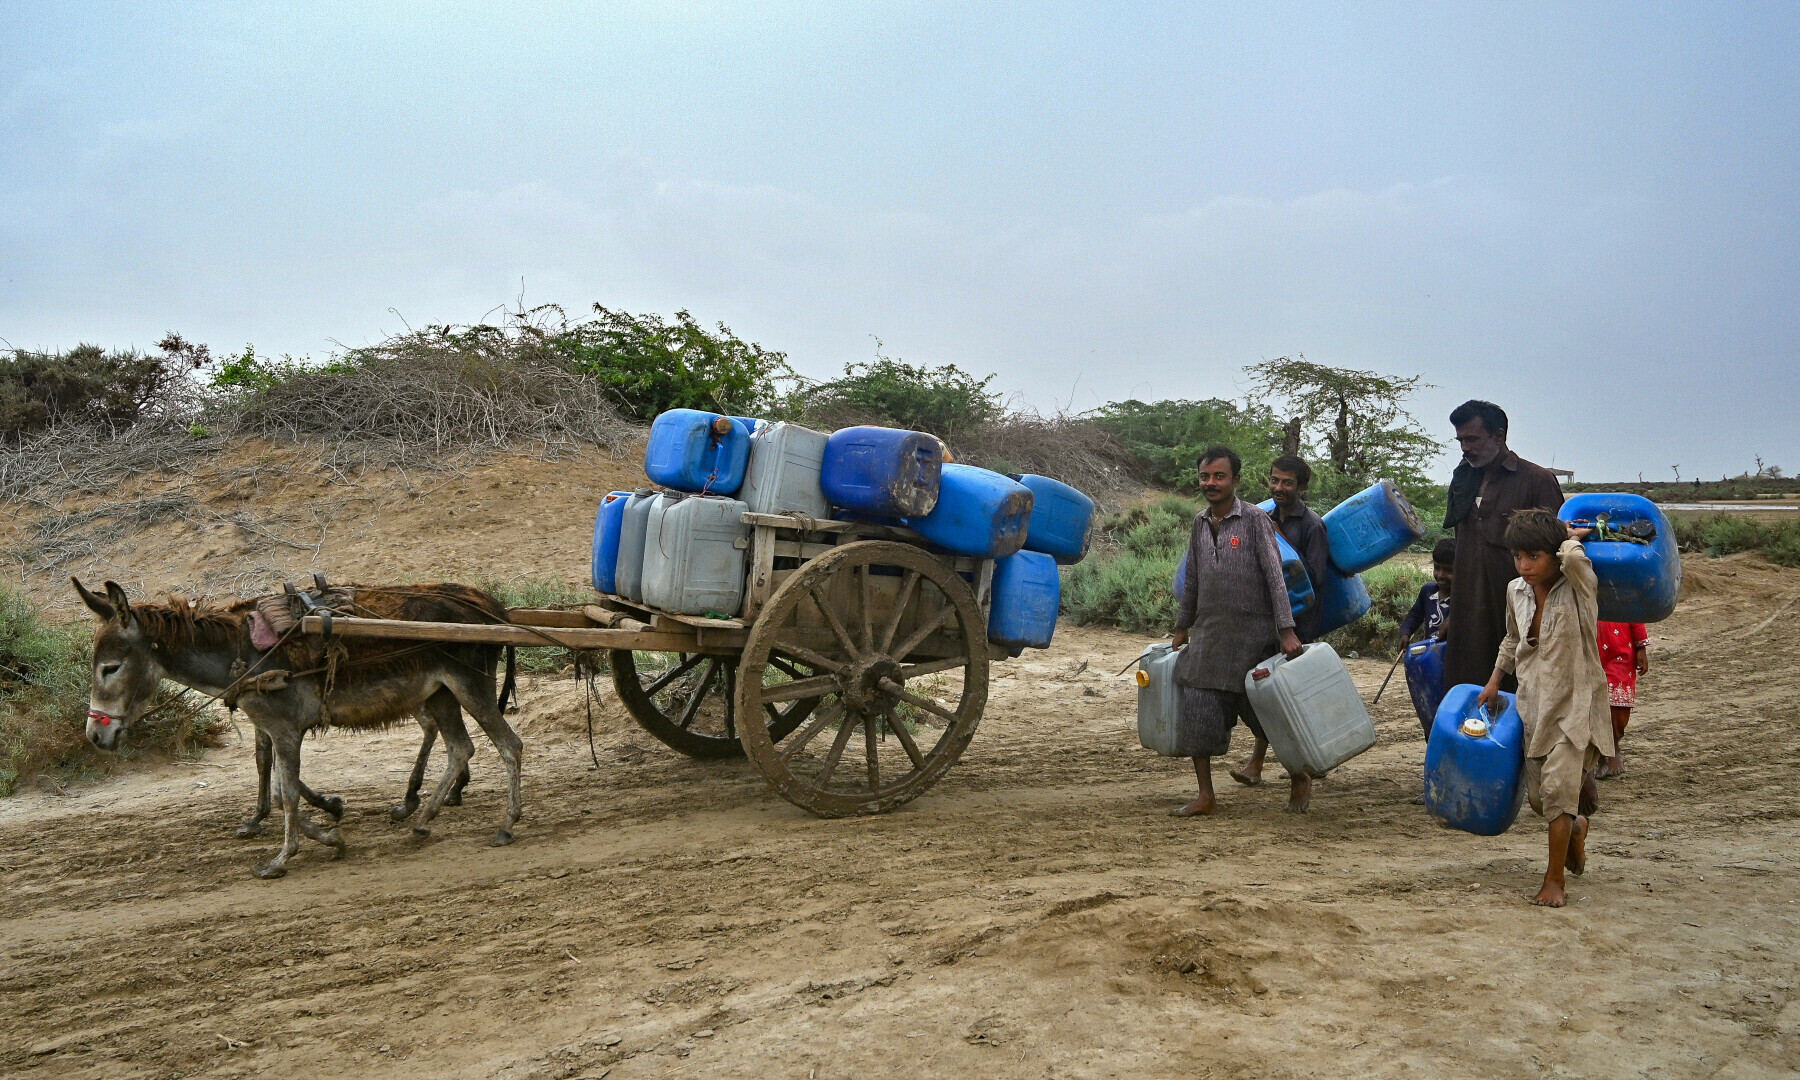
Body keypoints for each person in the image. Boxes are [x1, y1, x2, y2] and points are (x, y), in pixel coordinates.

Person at [1477, 510, 1614, 908]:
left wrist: (1567, 537)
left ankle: (1554, 881)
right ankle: (1575, 829)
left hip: (1576, 704)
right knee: (1540, 800)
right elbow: (1512, 638)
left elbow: (1573, 559)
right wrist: (1494, 680)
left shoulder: (1578, 587)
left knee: (1557, 792)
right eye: (1518, 556)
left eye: (1534, 556)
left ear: (1554, 555)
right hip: (1534, 704)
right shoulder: (1515, 590)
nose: (1525, 566)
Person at [1170, 446, 1307, 816]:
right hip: (1211, 638)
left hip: (1254, 639)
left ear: (1236, 480)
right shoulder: (1199, 523)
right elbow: (1194, 581)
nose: (1210, 483)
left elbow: (1275, 578)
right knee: (1197, 712)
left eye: (1219, 476)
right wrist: (1183, 627)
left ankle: (1299, 777)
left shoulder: (1254, 520)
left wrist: (1286, 630)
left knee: (1269, 719)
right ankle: (1206, 795)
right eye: (1205, 476)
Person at [1443, 400, 1565, 693]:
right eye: (1460, 440)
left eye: (1472, 439)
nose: (1465, 448)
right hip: (1468, 615)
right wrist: (1453, 614)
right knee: (1467, 697)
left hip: (1519, 614)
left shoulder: (1536, 480)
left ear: (1499, 436)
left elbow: (1559, 555)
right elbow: (1461, 549)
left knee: (1521, 696)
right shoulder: (1463, 480)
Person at [1230, 454, 1330, 788]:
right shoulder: (1263, 516)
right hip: (1265, 619)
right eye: (1274, 480)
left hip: (1299, 623)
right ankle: (1258, 765)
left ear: (1301, 487)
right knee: (1267, 690)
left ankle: (1297, 766)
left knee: (1290, 693)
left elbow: (1315, 578)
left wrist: (1281, 539)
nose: (1279, 488)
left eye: (1287, 482)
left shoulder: (1312, 525)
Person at [1593, 621, 1649, 779]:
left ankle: (1613, 747)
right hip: (1588, 649)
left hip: (1621, 650)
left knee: (1617, 703)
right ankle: (1601, 753)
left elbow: (1635, 612)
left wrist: (1641, 648)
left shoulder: (1624, 595)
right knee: (1593, 704)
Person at [1399, 537, 1456, 645]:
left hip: (1452, 657)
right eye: (1437, 568)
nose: (1441, 575)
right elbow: (1414, 616)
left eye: (1449, 570)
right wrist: (1405, 634)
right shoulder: (1428, 591)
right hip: (1430, 655)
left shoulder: (1464, 599)